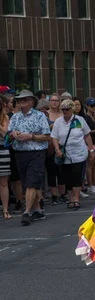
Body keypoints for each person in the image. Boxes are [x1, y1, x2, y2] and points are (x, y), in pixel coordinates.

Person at [7, 90, 51, 226]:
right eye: (20, 100)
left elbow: (46, 136)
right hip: (20, 153)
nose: (21, 102)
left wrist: (30, 136)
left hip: (36, 153)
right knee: (27, 183)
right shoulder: (15, 117)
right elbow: (7, 137)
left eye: (25, 99)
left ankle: (26, 212)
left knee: (32, 182)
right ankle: (37, 209)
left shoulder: (39, 116)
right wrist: (13, 134)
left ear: (32, 101)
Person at [51, 99, 94, 210]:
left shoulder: (79, 120)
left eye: (67, 109)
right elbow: (54, 137)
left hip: (79, 153)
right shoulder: (58, 122)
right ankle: (70, 197)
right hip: (65, 154)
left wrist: (91, 150)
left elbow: (87, 136)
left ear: (72, 109)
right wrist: (57, 149)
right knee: (67, 177)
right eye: (63, 109)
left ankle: (76, 199)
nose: (65, 111)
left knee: (77, 175)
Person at [0, 98, 10, 219]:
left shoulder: (5, 118)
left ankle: (5, 210)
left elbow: (5, 134)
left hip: (2, 150)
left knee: (3, 181)